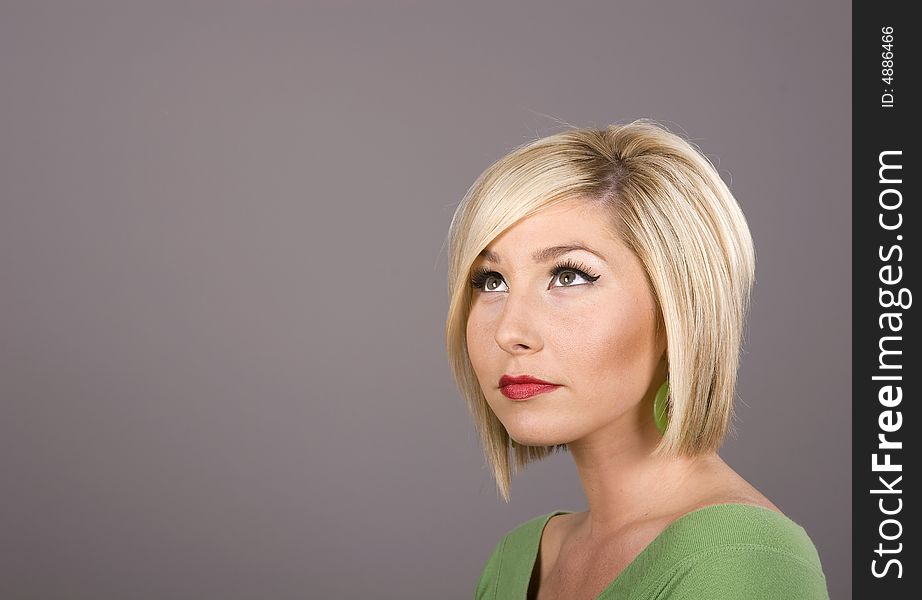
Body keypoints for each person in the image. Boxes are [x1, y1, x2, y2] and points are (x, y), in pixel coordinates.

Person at [443, 120, 830, 599]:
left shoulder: (743, 562)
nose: (509, 332)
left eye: (569, 276)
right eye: (490, 281)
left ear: (677, 311)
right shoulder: (517, 560)